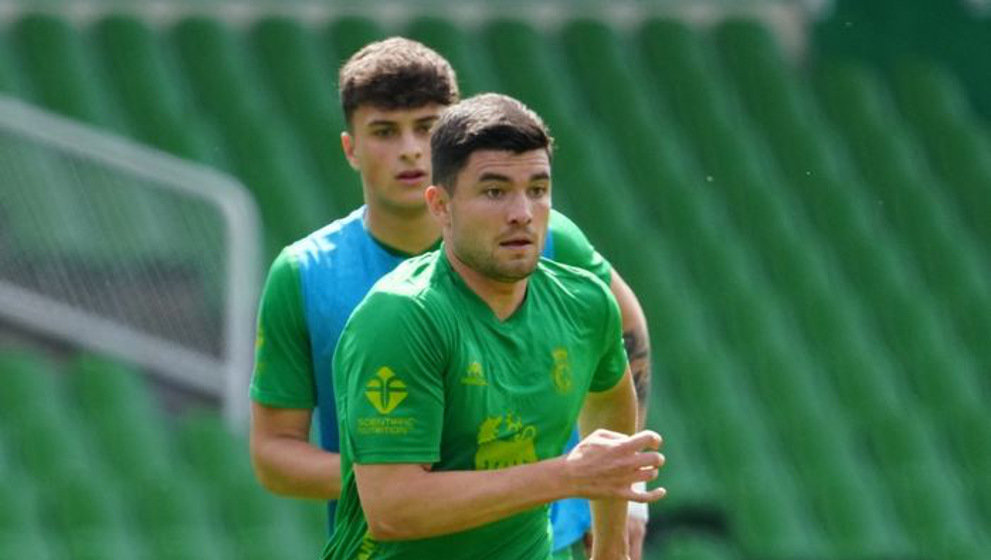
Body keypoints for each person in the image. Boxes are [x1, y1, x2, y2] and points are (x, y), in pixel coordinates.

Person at [248, 37, 655, 559]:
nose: (412, 149)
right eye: (385, 132)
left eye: (428, 128)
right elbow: (283, 458)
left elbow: (620, 346)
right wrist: (392, 463)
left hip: (549, 536)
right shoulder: (316, 276)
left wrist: (620, 503)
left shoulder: (549, 248)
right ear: (350, 147)